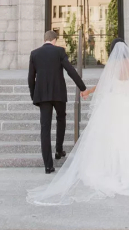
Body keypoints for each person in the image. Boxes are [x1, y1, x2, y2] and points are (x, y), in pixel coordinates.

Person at [27, 37, 129, 205]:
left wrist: (86, 92)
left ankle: (109, 169)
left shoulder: (112, 65)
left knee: (112, 136)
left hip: (113, 102)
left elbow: (103, 85)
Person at [28, 29, 89, 174]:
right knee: (61, 118)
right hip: (58, 93)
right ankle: (59, 149)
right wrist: (82, 87)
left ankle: (48, 166)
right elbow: (70, 70)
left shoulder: (34, 54)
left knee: (45, 128)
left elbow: (31, 78)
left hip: (42, 95)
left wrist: (34, 96)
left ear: (45, 40)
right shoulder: (59, 52)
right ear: (54, 40)